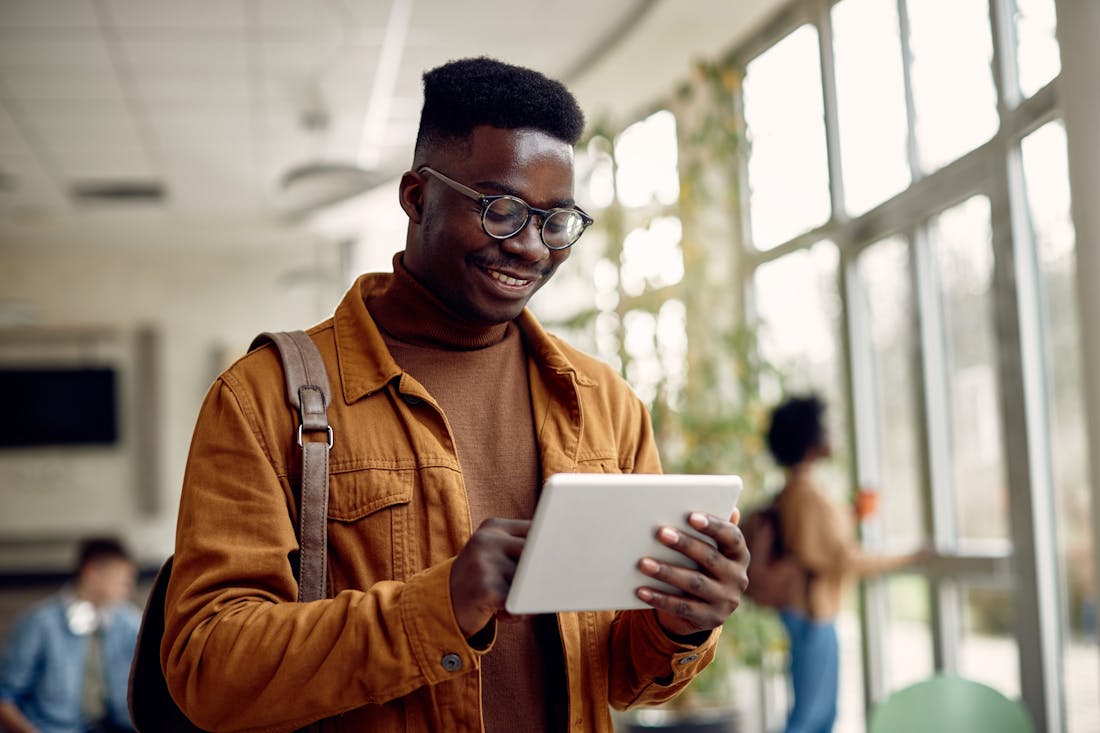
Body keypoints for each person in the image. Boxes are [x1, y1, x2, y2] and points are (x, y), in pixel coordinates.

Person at [161, 57, 749, 732]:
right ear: (416, 197)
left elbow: (619, 676)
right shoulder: (266, 397)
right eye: (501, 210)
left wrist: (681, 622)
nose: (530, 247)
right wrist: (438, 605)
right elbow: (208, 667)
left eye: (556, 221)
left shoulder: (603, 404)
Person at [765, 394, 929, 733]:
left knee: (815, 715)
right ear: (810, 441)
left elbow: (818, 544)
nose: (830, 433)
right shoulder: (808, 494)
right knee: (812, 719)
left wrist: (852, 513)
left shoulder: (797, 490)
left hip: (808, 612)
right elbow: (844, 559)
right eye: (824, 427)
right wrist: (909, 557)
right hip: (813, 613)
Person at [0, 538, 139, 733]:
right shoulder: (39, 623)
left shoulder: (128, 622)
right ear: (92, 573)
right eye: (122, 579)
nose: (128, 588)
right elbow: (5, 698)